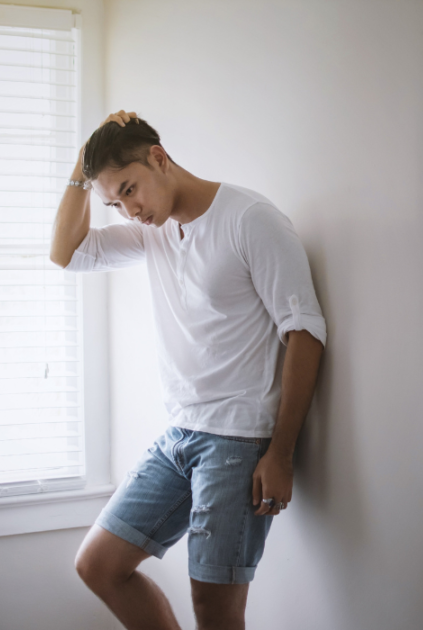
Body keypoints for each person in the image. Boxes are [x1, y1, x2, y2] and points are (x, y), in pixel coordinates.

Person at [51, 110, 326, 630]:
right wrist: (82, 165)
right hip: (179, 435)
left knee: (215, 612)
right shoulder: (155, 231)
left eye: (130, 190)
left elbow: (305, 334)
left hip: (238, 442)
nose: (129, 211)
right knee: (99, 566)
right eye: (115, 202)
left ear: (159, 157)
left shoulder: (249, 218)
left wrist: (281, 453)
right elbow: (67, 253)